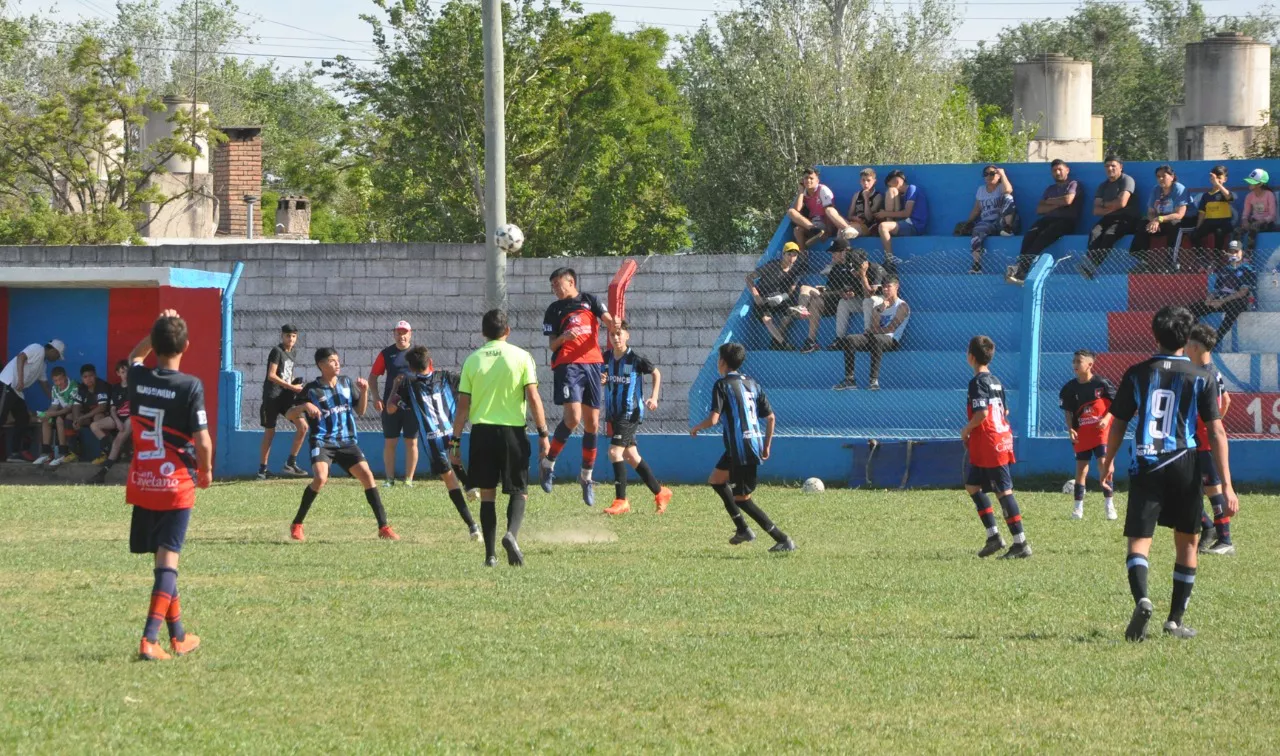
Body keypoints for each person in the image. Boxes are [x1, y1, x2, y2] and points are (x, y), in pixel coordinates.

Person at [1101, 306, 1238, 641]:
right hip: (1185, 463)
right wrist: (1227, 484)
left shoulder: (1137, 373)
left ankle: (1143, 599)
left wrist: (1108, 461)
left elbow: (1118, 422)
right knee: (1188, 541)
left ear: (1155, 334)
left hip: (1147, 463)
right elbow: (1216, 431)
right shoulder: (1201, 376)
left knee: (1139, 540)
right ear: (1187, 338)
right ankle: (1174, 621)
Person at [124, 310, 212, 661]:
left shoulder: (137, 377)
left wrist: (155, 331)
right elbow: (202, 440)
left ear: (156, 344)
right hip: (175, 483)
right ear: (186, 346)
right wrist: (205, 471)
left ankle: (178, 636)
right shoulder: (190, 385)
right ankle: (149, 640)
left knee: (162, 561)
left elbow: (134, 356)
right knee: (168, 561)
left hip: (143, 481)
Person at [451, 309, 551, 567]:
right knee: (519, 491)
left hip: (482, 433)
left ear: (483, 333)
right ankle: (511, 535)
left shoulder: (472, 360)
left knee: (487, 494)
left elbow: (463, 406)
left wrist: (455, 441)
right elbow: (533, 397)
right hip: (512, 432)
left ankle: (490, 555)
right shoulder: (522, 357)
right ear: (507, 331)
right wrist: (543, 433)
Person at [690, 342, 794, 551]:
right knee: (717, 480)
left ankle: (782, 539)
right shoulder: (753, 383)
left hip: (741, 449)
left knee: (742, 499)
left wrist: (697, 427)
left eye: (718, 359)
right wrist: (766, 446)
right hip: (745, 446)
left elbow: (713, 419)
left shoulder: (722, 385)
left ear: (722, 362)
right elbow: (771, 418)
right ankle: (742, 529)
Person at [287, 348, 400, 542]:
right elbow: (290, 414)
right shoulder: (312, 389)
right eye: (332, 361)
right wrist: (304, 406)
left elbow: (361, 411)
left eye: (337, 360)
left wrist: (364, 391)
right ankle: (297, 524)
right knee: (320, 478)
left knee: (368, 477)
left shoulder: (346, 383)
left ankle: (383, 527)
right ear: (321, 365)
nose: (337, 364)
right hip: (323, 442)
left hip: (347, 442)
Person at [540, 267, 618, 505]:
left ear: (571, 282)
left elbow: (608, 321)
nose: (555, 288)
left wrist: (614, 323)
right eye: (552, 286)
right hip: (568, 365)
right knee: (573, 418)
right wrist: (564, 338)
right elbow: (552, 345)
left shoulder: (589, 300)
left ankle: (586, 477)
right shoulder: (554, 309)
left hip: (593, 364)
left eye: (557, 284)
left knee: (592, 424)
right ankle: (548, 463)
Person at [387, 345, 480, 540]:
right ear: (430, 362)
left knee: (449, 480)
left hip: (432, 439)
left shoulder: (407, 384)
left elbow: (390, 409)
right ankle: (469, 485)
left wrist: (395, 386)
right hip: (452, 431)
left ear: (411, 368)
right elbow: (470, 387)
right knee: (455, 458)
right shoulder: (445, 376)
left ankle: (473, 527)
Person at [961, 335, 1030, 559]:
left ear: (971, 357)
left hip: (991, 442)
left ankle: (1020, 543)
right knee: (972, 486)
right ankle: (994, 537)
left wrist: (966, 429)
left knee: (1003, 491)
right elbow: (1005, 410)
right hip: (992, 441)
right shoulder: (996, 381)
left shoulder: (977, 382)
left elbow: (982, 413)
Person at [601, 321, 673, 516]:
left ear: (627, 335)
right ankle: (661, 492)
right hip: (614, 413)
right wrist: (603, 379)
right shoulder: (605, 358)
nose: (616, 338)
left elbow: (656, 373)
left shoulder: (635, 359)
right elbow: (603, 377)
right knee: (631, 456)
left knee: (614, 452)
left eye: (619, 333)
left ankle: (621, 501)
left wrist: (654, 397)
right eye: (612, 334)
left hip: (630, 412)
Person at [1185, 325, 1235, 556]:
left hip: (1202, 441)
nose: (1185, 349)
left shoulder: (1201, 375)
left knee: (1213, 490)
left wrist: (1208, 426)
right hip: (1200, 438)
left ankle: (1225, 539)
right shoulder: (1213, 371)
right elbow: (1226, 400)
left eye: (1187, 345)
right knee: (1190, 488)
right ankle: (1209, 527)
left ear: (1195, 347)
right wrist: (1215, 421)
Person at [1058, 350, 1117, 520]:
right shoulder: (1069, 388)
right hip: (1082, 433)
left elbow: (1115, 404)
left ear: (1090, 364)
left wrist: (1106, 418)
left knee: (1104, 465)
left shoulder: (1102, 384)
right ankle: (1078, 509)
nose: (1075, 364)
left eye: (1079, 361)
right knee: (1081, 469)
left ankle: (1109, 505)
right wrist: (1070, 428)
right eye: (1074, 361)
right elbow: (1068, 412)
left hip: (1100, 432)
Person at [797, 239, 884, 353]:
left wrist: (862, 275)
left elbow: (869, 294)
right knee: (840, 302)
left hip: (879, 300)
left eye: (834, 252)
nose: (832, 255)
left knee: (868, 300)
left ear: (844, 252)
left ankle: (868, 336)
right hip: (858, 299)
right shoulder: (840, 268)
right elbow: (836, 290)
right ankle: (838, 339)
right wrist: (841, 292)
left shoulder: (875, 268)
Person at [1007, 159, 1080, 285]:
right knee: (1030, 234)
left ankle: (1022, 269)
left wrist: (1049, 202)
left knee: (1043, 236)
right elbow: (1040, 209)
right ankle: (1020, 268)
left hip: (1066, 221)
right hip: (1048, 219)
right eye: (1054, 170)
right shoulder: (1050, 189)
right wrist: (1058, 203)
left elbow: (1068, 200)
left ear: (1067, 170)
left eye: (1060, 169)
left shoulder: (1073, 184)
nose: (1057, 172)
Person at [834, 276, 909, 391]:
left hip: (891, 340)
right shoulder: (878, 307)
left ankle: (874, 380)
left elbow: (891, 329)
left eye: (888, 287)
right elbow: (873, 328)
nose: (885, 289)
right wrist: (880, 310)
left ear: (896, 287)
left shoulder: (902, 306)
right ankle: (850, 379)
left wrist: (875, 330)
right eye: (883, 287)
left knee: (877, 339)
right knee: (850, 339)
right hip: (874, 338)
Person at [369, 321, 418, 488]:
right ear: (394, 334)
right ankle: (389, 479)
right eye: (398, 333)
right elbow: (373, 377)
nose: (401, 336)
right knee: (390, 441)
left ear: (410, 334)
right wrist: (376, 397)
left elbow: (428, 375)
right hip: (391, 405)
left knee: (411, 442)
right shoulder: (386, 353)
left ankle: (409, 479)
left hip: (412, 405)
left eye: (404, 333)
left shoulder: (418, 353)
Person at [0, 339, 64, 462]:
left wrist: (58, 401)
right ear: (53, 350)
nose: (56, 359)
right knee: (1, 417)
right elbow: (21, 357)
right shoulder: (37, 348)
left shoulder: (43, 365)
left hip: (17, 391)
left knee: (23, 419)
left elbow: (45, 385)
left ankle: (14, 453)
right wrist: (20, 380)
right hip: (7, 383)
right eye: (57, 356)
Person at [257, 324, 308, 479]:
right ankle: (262, 471)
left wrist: (296, 384)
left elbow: (286, 374)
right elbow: (271, 375)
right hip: (272, 396)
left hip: (286, 397)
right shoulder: (277, 351)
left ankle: (290, 463)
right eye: (288, 336)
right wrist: (291, 387)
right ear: (282, 336)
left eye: (293, 336)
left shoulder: (293, 352)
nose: (290, 339)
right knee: (270, 433)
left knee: (303, 426)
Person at [1081, 156, 1142, 279]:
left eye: (1113, 165)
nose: (1110, 168)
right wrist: (1113, 206)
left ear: (1121, 167)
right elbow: (1096, 210)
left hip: (1127, 218)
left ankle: (1091, 267)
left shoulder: (1126, 180)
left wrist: (1104, 204)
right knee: (1094, 232)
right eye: (1107, 166)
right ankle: (1088, 265)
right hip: (1108, 218)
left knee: (1109, 234)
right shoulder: (1103, 186)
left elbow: (1122, 203)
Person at [1128, 164, 1193, 271]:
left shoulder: (1179, 189)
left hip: (1186, 221)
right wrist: (1153, 222)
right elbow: (1150, 212)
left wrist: (1159, 219)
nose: (1160, 179)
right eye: (1158, 176)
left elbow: (1179, 214)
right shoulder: (1156, 190)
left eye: (1164, 176)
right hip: (1163, 221)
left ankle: (1172, 262)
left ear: (1172, 177)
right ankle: (1144, 260)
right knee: (1143, 224)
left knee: (1174, 224)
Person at [1188, 240, 1255, 343]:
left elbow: (1243, 292)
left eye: (1236, 251)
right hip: (1220, 300)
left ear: (1242, 252)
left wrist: (1222, 301)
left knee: (1235, 306)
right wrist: (1209, 299)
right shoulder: (1224, 269)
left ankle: (1215, 339)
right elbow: (1216, 290)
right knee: (1192, 309)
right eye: (1231, 251)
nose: (1233, 254)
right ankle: (1198, 336)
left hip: (1237, 300)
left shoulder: (1247, 269)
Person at [956, 165, 1016, 274]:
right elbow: (976, 209)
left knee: (1008, 197)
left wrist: (1002, 174)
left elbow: (1008, 190)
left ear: (998, 175)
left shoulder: (1001, 187)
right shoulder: (981, 190)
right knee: (977, 231)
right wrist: (968, 222)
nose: (988, 176)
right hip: (987, 222)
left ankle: (1008, 228)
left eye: (992, 173)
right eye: (986, 174)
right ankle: (976, 266)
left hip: (1001, 221)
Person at [745, 242, 803, 350]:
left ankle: (775, 342)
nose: (791, 258)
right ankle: (783, 344)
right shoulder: (772, 265)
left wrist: (781, 298)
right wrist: (756, 295)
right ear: (783, 254)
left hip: (779, 299)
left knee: (791, 312)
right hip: (763, 299)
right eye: (789, 254)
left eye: (795, 255)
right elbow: (749, 278)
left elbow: (790, 292)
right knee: (767, 319)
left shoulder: (795, 272)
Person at [89, 360, 133, 483]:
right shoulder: (116, 388)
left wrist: (123, 422)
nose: (125, 374)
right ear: (118, 373)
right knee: (94, 426)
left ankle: (103, 473)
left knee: (117, 441)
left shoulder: (135, 387)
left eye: (127, 371)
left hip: (131, 418)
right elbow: (113, 409)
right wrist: (117, 421)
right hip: (118, 417)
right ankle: (111, 452)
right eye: (122, 372)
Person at [875, 170, 928, 271]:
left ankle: (890, 260)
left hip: (915, 226)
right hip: (907, 223)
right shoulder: (904, 194)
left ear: (897, 181)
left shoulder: (912, 189)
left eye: (889, 185)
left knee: (883, 226)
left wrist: (885, 214)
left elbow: (906, 213)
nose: (890, 188)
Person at [786, 167, 849, 250]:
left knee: (828, 211)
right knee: (795, 225)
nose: (808, 180)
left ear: (817, 180)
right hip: (812, 225)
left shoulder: (822, 190)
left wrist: (828, 232)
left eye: (811, 178)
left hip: (824, 224)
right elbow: (797, 210)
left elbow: (830, 212)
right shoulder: (804, 193)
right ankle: (803, 255)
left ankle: (816, 231)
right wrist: (801, 191)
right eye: (806, 178)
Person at [32, 366, 78, 465]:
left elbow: (69, 408)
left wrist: (54, 413)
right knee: (46, 420)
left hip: (74, 413)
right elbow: (54, 405)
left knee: (59, 420)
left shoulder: (74, 385)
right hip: (61, 412)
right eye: (55, 380)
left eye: (60, 379)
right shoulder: (54, 388)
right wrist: (47, 414)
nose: (58, 383)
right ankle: (46, 453)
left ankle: (63, 453)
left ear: (65, 376)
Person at [1187, 165, 1234, 255]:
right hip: (1209, 222)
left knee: (1219, 232)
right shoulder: (1206, 196)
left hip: (1224, 223)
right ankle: (1202, 258)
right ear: (1210, 179)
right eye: (1214, 178)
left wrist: (1218, 184)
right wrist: (1198, 227)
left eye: (1219, 178)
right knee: (1194, 235)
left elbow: (1230, 197)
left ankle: (1217, 258)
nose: (1216, 180)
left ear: (1225, 179)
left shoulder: (1224, 192)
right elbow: (1202, 213)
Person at [1238, 168, 1276, 254]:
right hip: (1253, 221)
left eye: (1252, 182)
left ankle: (1248, 256)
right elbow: (1246, 213)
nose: (1249, 183)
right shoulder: (1249, 196)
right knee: (1237, 231)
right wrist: (1244, 221)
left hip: (1266, 223)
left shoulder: (1269, 195)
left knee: (1253, 228)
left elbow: (1272, 215)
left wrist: (1261, 221)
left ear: (1260, 184)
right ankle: (1237, 254)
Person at [843, 168, 884, 241]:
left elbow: (869, 218)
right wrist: (854, 218)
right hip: (855, 223)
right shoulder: (856, 195)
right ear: (860, 181)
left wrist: (866, 198)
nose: (865, 183)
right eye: (863, 180)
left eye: (868, 180)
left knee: (848, 230)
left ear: (874, 181)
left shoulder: (877, 196)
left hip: (869, 226)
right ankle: (840, 247)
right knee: (841, 228)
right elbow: (849, 215)